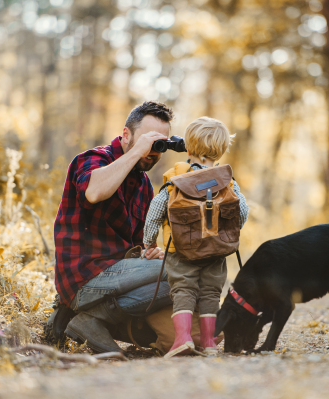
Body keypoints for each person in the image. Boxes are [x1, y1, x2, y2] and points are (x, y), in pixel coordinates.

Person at [52, 101, 177, 353]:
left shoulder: (143, 186)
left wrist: (151, 254)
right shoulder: (92, 159)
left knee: (184, 275)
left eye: (159, 144)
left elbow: (138, 245)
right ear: (126, 135)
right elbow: (94, 192)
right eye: (146, 141)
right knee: (179, 270)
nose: (152, 151)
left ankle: (91, 321)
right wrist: (136, 152)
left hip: (116, 278)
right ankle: (75, 315)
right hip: (83, 277)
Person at [143, 117, 249, 357]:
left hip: (181, 250)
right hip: (216, 250)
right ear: (222, 150)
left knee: (183, 291)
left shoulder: (176, 180)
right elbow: (241, 213)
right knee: (211, 293)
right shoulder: (227, 182)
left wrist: (149, 242)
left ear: (188, 148)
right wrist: (224, 233)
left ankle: (182, 339)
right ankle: (209, 343)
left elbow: (155, 212)